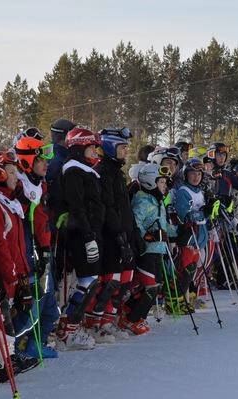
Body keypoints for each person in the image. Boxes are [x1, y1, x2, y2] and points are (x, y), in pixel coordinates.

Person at [0, 150, 39, 382]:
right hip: (1, 274)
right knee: (1, 316)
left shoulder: (8, 201)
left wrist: (22, 272)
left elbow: (16, 241)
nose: (16, 178)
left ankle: (7, 357)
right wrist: (11, 274)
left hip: (14, 271)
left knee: (7, 316)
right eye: (12, 173)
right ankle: (4, 362)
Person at [85, 127, 140, 341]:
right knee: (111, 280)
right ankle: (94, 323)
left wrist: (132, 234)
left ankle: (109, 320)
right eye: (122, 147)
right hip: (109, 236)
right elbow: (108, 208)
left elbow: (124, 207)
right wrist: (118, 235)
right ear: (109, 146)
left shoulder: (116, 172)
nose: (126, 151)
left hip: (124, 234)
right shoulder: (102, 171)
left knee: (126, 278)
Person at [55, 128, 105, 351]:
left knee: (91, 278)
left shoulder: (85, 170)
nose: (94, 152)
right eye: (91, 147)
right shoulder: (73, 170)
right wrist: (87, 235)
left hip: (90, 232)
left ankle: (74, 325)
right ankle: (68, 327)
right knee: (86, 279)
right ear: (79, 147)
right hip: (80, 234)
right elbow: (77, 206)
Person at [13, 135, 59, 359]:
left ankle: (35, 344)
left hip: (44, 249)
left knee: (51, 307)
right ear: (28, 161)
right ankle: (7, 346)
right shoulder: (19, 186)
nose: (46, 164)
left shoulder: (41, 185)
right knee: (32, 308)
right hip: (28, 253)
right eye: (41, 160)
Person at [127, 163, 176, 332]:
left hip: (158, 250)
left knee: (157, 286)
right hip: (146, 250)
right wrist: (151, 236)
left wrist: (176, 232)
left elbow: (163, 224)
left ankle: (134, 315)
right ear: (150, 181)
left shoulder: (157, 200)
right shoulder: (142, 200)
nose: (165, 186)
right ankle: (131, 318)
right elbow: (136, 225)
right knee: (151, 286)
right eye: (161, 182)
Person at [172, 158, 209, 313]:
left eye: (199, 173)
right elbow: (183, 215)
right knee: (186, 269)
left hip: (200, 235)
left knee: (193, 269)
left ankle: (186, 298)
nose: (196, 177)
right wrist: (202, 213)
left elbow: (204, 215)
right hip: (187, 235)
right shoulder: (183, 191)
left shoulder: (199, 191)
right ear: (186, 174)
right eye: (192, 173)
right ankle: (176, 301)